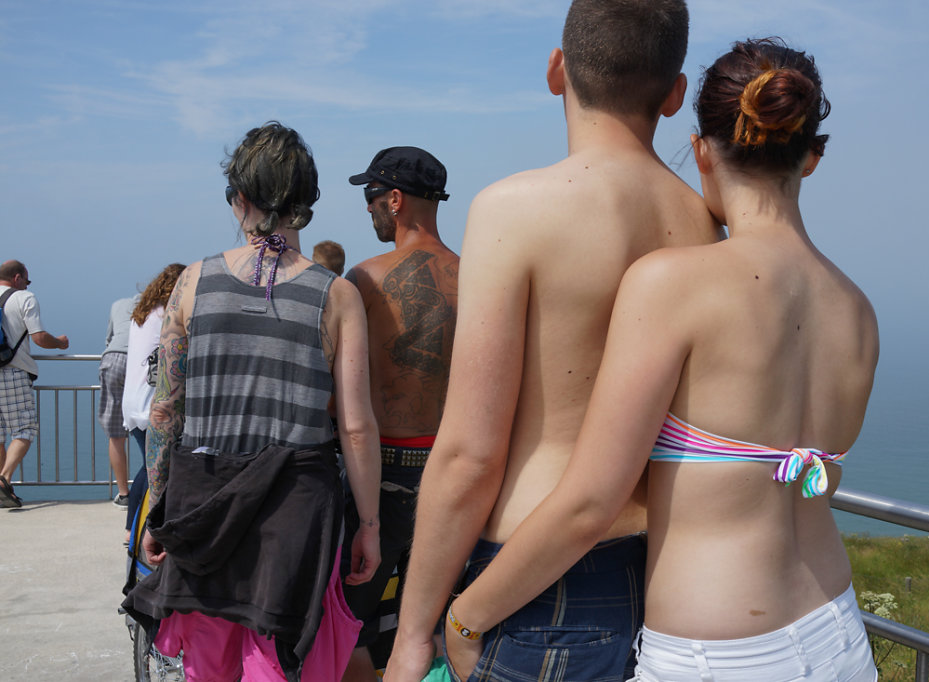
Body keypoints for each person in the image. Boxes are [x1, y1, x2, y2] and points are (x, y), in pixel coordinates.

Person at [444, 38, 880, 681]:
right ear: (810, 158)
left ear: (702, 150)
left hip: (717, 654)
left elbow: (591, 502)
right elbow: (814, 479)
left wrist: (465, 617)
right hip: (836, 633)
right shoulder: (856, 309)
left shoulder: (673, 284)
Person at [385, 1, 722, 679]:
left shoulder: (514, 210)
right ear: (674, 92)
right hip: (660, 579)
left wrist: (416, 631)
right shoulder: (703, 223)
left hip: (534, 589)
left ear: (555, 72)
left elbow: (471, 453)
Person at [122, 122, 382, 682]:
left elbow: (166, 410)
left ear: (239, 198)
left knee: (207, 661)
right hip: (294, 508)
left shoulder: (192, 283)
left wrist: (158, 508)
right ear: (305, 202)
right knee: (277, 659)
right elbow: (357, 427)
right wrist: (369, 524)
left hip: (201, 501)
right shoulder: (337, 295)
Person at [344, 146, 459, 679]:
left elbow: (337, 394)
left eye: (371, 198)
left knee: (349, 622)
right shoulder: (475, 277)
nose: (367, 210)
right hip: (455, 470)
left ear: (394, 200)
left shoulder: (363, 280)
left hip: (382, 475)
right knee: (435, 625)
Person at [121, 263, 185, 535]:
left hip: (133, 400)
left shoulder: (142, 315)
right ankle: (133, 530)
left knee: (148, 469)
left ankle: (134, 529)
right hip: (151, 402)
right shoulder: (167, 315)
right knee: (151, 471)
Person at [0, 260, 70, 508]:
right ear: (18, 278)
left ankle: (4, 493)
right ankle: (4, 479)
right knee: (25, 429)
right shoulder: (24, 298)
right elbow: (39, 337)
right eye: (27, 281)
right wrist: (60, 343)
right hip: (13, 372)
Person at [100, 294, 139, 507]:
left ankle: (123, 494)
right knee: (149, 425)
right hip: (138, 360)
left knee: (116, 434)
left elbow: (109, 338)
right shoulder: (158, 306)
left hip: (112, 359)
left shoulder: (117, 304)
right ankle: (152, 485)